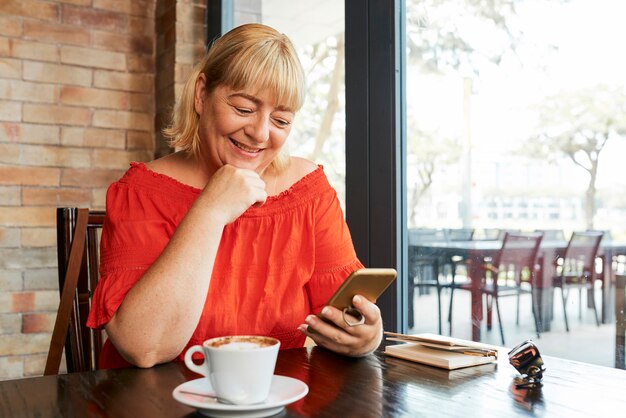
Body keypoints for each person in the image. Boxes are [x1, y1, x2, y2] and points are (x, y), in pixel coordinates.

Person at [86, 23, 383, 369]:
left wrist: (365, 337)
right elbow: (145, 347)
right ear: (201, 95)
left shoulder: (309, 193)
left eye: (281, 121)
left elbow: (341, 316)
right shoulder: (140, 192)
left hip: (274, 398)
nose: (259, 133)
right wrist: (210, 211)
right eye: (243, 108)